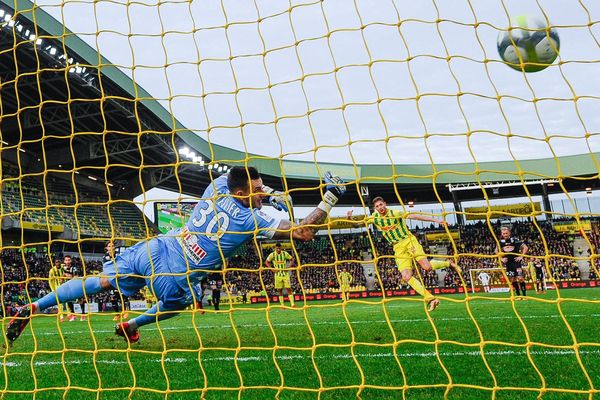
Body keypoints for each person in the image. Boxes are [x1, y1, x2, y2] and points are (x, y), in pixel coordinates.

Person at [6, 167, 346, 344]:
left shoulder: (217, 186)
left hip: (158, 246)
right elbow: (303, 232)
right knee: (182, 302)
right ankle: (131, 324)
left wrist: (266, 194)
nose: (260, 195)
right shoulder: (250, 219)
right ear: (242, 193)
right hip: (176, 272)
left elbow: (243, 188)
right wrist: (328, 198)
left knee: (102, 280)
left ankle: (32, 306)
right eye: (255, 191)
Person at [348, 197, 461, 311]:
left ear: (385, 204)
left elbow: (414, 216)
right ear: (375, 208)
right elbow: (358, 225)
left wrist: (436, 220)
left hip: (409, 241)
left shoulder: (395, 213)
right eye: (377, 206)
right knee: (406, 277)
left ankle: (448, 264)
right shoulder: (374, 218)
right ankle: (431, 298)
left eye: (381, 204)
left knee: (426, 267)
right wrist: (350, 218)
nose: (380, 207)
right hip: (398, 248)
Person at [496, 225, 528, 298]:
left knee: (520, 278)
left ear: (509, 233)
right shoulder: (500, 242)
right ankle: (518, 295)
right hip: (508, 263)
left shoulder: (515, 240)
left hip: (516, 262)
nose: (505, 235)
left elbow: (525, 247)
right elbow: (496, 250)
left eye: (506, 233)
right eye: (503, 233)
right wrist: (501, 259)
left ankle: (524, 295)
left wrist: (521, 256)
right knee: (512, 279)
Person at [265, 243, 295, 307]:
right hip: (277, 274)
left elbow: (292, 259)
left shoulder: (285, 253)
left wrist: (289, 267)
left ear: (281, 248)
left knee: (288, 288)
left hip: (285, 274)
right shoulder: (272, 255)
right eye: (277, 248)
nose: (278, 249)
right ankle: (282, 305)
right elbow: (266, 262)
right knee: (280, 290)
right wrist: (272, 269)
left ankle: (292, 304)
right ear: (275, 248)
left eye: (279, 248)